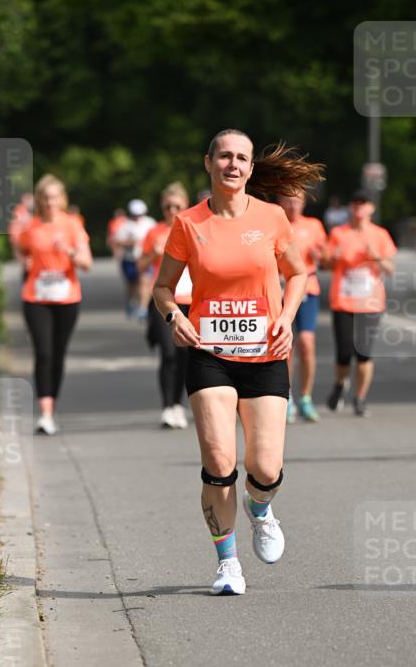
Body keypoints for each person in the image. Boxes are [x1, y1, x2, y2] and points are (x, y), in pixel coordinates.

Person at [154, 130, 324, 595]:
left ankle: (260, 509)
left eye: (241, 158)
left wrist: (286, 317)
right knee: (219, 460)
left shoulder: (272, 217)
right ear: (208, 162)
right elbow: (162, 287)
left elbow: (298, 273)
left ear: (250, 168)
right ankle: (227, 564)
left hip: (265, 354)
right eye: (224, 156)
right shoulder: (188, 223)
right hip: (209, 354)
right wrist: (174, 316)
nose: (232, 164)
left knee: (265, 469)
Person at [17, 174, 92, 435]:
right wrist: (24, 261)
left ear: (62, 199)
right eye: (45, 198)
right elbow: (20, 247)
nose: (50, 202)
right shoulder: (31, 227)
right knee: (43, 353)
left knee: (58, 353)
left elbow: (87, 263)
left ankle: (53, 404)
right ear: (39, 200)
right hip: (36, 297)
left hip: (66, 298)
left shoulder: (72, 225)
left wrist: (68, 251)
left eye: (54, 198)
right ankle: (45, 413)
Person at [325, 190, 396, 417]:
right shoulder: (338, 233)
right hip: (343, 301)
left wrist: (377, 257)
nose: (359, 207)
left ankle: (360, 399)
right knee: (344, 353)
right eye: (355, 203)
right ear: (350, 207)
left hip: (370, 302)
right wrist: (333, 258)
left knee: (363, 353)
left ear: (371, 208)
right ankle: (340, 384)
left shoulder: (380, 234)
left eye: (363, 203)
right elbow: (325, 264)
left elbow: (390, 269)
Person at [138, 182, 193, 428]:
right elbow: (140, 266)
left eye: (177, 206)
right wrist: (154, 253)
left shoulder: (193, 229)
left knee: (184, 354)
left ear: (185, 206)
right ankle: (167, 407)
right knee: (168, 353)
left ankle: (178, 404)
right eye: (168, 206)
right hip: (163, 301)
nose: (172, 211)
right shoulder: (155, 232)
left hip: (190, 300)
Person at [276, 193, 328, 423]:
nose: (293, 205)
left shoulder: (313, 225)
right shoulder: (275, 223)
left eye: (297, 200)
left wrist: (320, 255)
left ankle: (306, 397)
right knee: (285, 346)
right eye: (288, 200)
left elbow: (327, 258)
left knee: (306, 343)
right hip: (281, 289)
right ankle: (286, 398)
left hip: (308, 288)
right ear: (280, 202)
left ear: (304, 202)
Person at [114, 199, 156, 318]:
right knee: (131, 284)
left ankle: (143, 308)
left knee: (144, 282)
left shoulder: (150, 223)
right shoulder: (125, 225)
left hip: (145, 258)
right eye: (135, 214)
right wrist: (132, 242)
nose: (138, 217)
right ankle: (131, 303)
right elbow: (118, 242)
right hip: (130, 259)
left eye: (140, 214)